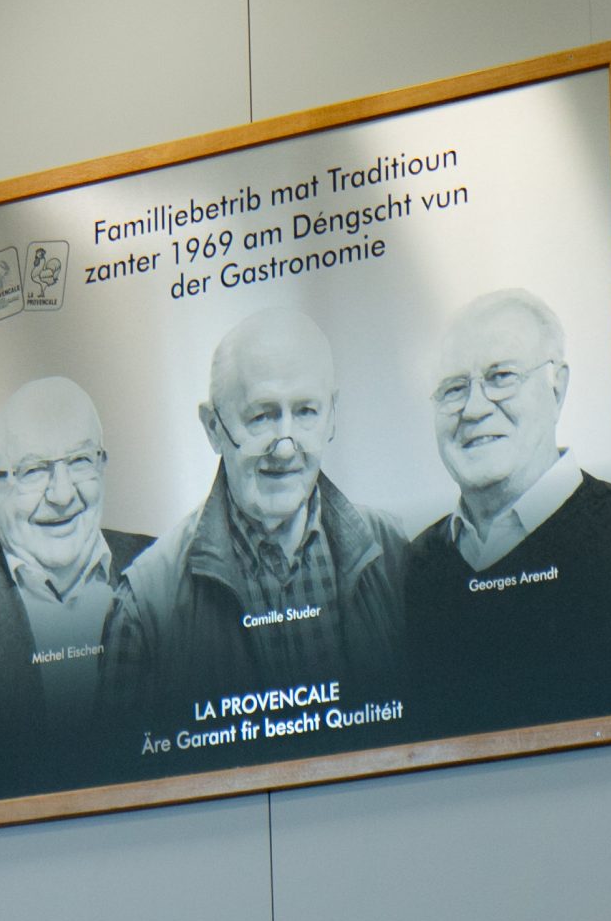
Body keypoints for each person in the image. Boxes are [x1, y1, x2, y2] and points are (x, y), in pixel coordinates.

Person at [102, 308, 408, 747]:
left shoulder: (397, 557)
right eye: (261, 417)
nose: (284, 448)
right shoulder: (144, 605)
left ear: (332, 417)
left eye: (306, 411)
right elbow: (126, 769)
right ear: (213, 428)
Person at [404, 289, 611, 734]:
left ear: (557, 388)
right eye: (454, 389)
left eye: (502, 377)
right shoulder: (407, 572)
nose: (474, 409)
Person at [0, 376, 150, 806]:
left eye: (79, 461)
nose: (62, 494)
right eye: (32, 471)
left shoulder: (172, 570)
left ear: (102, 467)